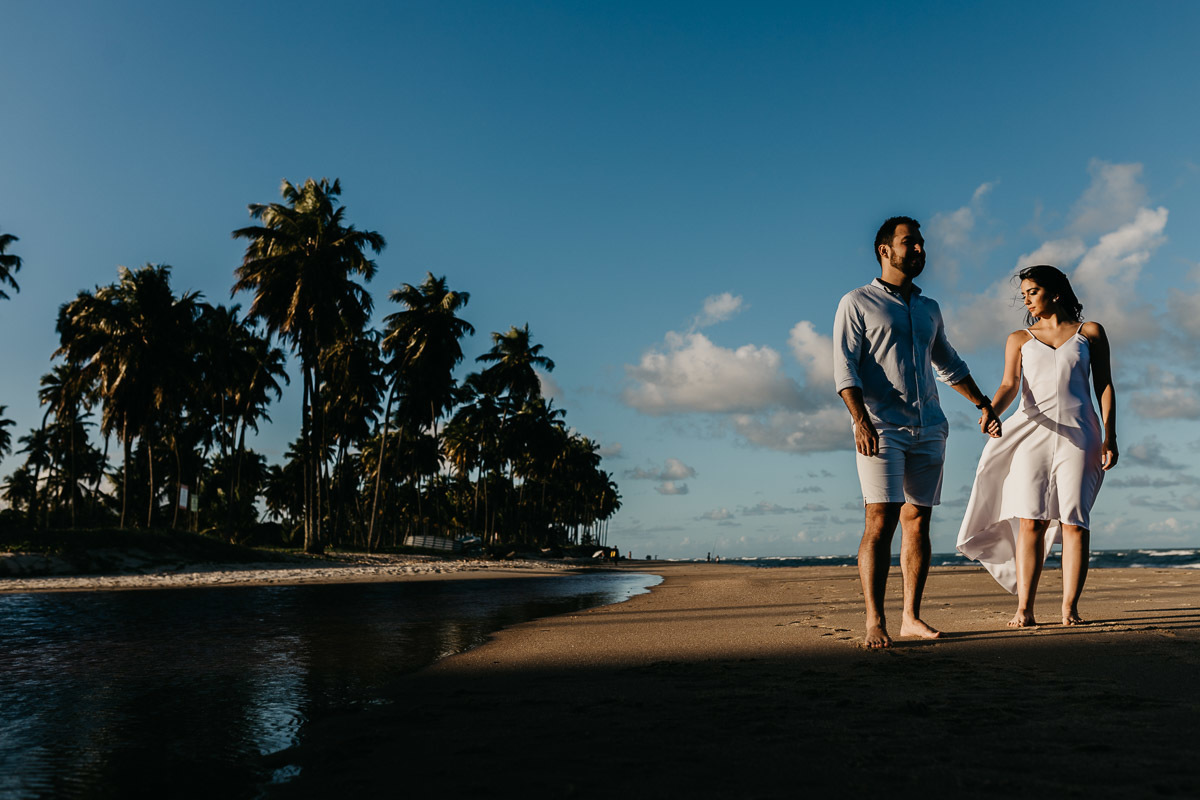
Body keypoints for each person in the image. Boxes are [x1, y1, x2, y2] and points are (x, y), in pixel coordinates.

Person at [834, 216, 1000, 649]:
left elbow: (949, 364)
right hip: (881, 426)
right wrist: (860, 420)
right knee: (880, 517)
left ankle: (910, 617)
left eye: (922, 243)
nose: (921, 249)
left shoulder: (930, 308)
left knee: (918, 520)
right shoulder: (857, 302)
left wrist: (983, 403)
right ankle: (875, 620)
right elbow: (845, 367)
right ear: (885, 250)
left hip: (930, 426)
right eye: (911, 242)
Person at [956, 265, 1118, 626]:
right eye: (1024, 294)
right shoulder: (1019, 338)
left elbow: (1104, 385)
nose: (1026, 300)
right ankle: (1024, 609)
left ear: (1055, 293)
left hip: (1081, 434)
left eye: (1032, 292)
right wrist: (991, 411)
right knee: (1032, 520)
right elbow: (1009, 385)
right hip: (1032, 433)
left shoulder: (1090, 332)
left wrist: (1111, 435)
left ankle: (1069, 609)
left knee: (1075, 521)